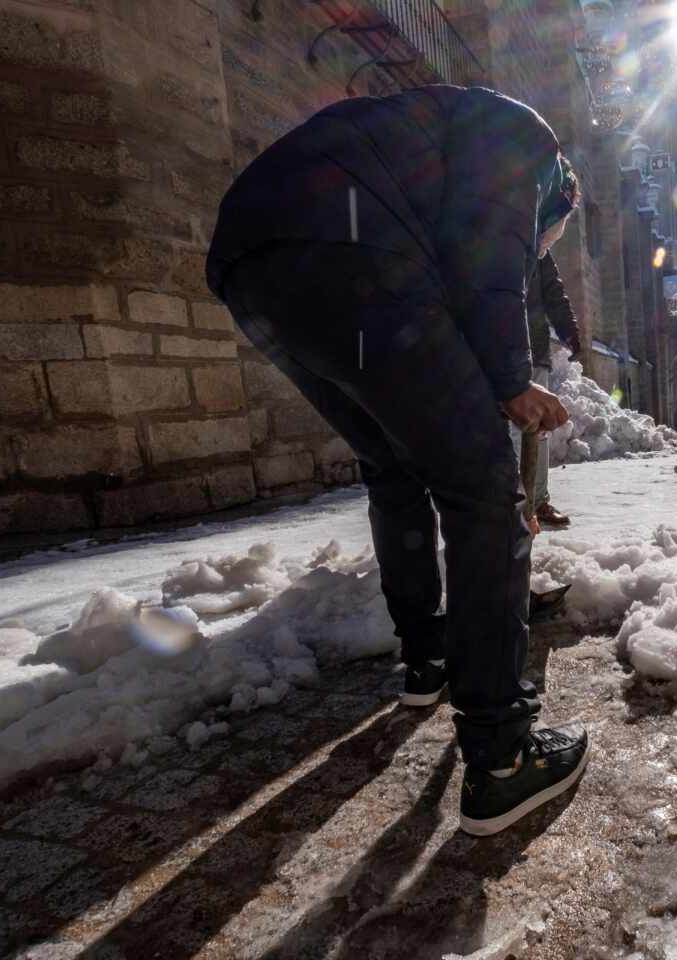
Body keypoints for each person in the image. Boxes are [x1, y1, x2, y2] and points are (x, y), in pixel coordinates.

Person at [206, 85, 589, 836]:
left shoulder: (432, 144)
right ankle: (504, 756)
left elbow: (442, 305)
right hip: (349, 245)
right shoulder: (525, 138)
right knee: (484, 493)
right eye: (547, 243)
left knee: (393, 466)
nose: (539, 251)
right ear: (558, 200)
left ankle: (428, 657)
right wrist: (511, 381)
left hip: (250, 263)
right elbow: (488, 260)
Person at [518, 251, 581, 529]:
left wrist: (569, 331)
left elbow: (553, 291)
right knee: (502, 430)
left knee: (538, 428)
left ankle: (538, 502)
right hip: (492, 349)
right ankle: (509, 504)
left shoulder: (537, 243)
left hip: (534, 349)